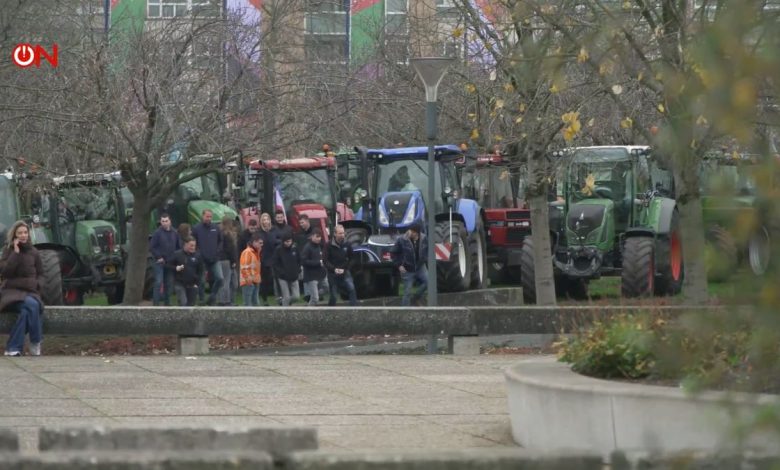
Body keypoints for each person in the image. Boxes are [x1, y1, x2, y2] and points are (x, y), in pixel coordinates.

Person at [1, 221, 44, 356]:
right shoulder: (8, 251)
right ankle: (36, 341)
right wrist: (16, 253)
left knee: (27, 311)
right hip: (12, 293)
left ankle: (13, 347)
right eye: (20, 233)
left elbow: (41, 273)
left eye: (25, 232)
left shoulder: (34, 252)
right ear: (14, 235)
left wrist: (38, 285)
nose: (23, 235)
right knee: (32, 306)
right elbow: (5, 273)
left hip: (31, 291)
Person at [390, 223, 428, 306]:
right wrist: (399, 265)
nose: (411, 233)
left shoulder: (424, 238)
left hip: (420, 266)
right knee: (407, 292)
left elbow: (427, 250)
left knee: (428, 282)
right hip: (407, 269)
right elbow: (393, 253)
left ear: (417, 233)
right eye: (410, 230)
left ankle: (416, 297)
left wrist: (424, 259)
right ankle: (405, 311)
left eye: (413, 232)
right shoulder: (402, 240)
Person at [192, 209, 224, 306]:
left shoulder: (216, 228)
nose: (209, 218)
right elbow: (193, 243)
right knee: (201, 281)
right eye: (207, 216)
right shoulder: (196, 228)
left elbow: (221, 241)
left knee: (220, 278)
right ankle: (202, 299)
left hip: (215, 259)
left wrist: (217, 252)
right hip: (202, 260)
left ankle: (212, 296)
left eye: (210, 216)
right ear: (202, 216)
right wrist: (198, 254)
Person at [148, 213, 181, 306]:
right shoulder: (157, 233)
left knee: (169, 283)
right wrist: (159, 257)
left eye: (166, 221)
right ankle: (156, 304)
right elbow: (152, 247)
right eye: (162, 221)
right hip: (159, 262)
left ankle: (167, 304)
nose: (164, 223)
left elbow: (178, 247)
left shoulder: (175, 233)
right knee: (158, 282)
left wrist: (176, 259)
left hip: (170, 262)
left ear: (170, 221)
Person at [325, 224, 358, 306]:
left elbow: (352, 258)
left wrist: (346, 269)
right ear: (335, 234)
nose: (342, 235)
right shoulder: (328, 245)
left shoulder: (347, 244)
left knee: (351, 289)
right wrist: (333, 269)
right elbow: (325, 260)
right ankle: (330, 311)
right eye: (340, 233)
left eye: (343, 233)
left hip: (345, 271)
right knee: (334, 295)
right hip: (333, 273)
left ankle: (354, 310)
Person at [168, 236, 204, 307]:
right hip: (180, 283)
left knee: (191, 306)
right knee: (183, 303)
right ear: (185, 244)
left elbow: (201, 271)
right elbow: (168, 265)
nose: (193, 247)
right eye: (191, 245)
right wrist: (176, 268)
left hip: (193, 284)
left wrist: (197, 284)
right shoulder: (177, 254)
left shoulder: (198, 256)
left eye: (194, 246)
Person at [272, 232, 301, 306]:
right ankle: (284, 312)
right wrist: (281, 273)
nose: (289, 243)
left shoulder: (295, 248)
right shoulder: (278, 250)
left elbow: (299, 260)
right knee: (286, 297)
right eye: (287, 241)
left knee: (296, 297)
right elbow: (275, 263)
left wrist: (298, 270)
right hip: (283, 277)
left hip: (294, 276)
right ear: (283, 241)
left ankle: (282, 302)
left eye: (290, 241)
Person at [300, 228, 326, 306]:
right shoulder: (307, 247)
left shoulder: (319, 246)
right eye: (317, 236)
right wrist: (318, 262)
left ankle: (313, 295)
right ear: (312, 236)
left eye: (320, 237)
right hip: (311, 276)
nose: (319, 238)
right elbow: (304, 261)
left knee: (327, 287)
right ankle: (308, 311)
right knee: (315, 299)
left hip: (320, 273)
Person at [258, 212, 279, 306]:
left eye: (267, 219)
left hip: (274, 257)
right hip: (263, 258)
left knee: (276, 278)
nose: (266, 221)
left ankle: (279, 297)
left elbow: (279, 240)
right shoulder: (259, 232)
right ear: (261, 221)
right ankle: (264, 299)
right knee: (265, 280)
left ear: (270, 220)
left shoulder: (274, 230)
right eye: (264, 220)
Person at [217, 216, 238, 306]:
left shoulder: (219, 233)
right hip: (227, 260)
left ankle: (223, 300)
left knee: (223, 281)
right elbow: (231, 249)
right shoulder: (228, 235)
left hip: (219, 259)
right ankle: (226, 301)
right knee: (227, 281)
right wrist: (233, 261)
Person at [239, 233, 262, 306]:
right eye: (260, 243)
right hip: (248, 282)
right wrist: (249, 280)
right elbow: (244, 268)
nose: (262, 245)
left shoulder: (256, 252)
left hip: (255, 281)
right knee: (248, 304)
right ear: (254, 242)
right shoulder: (247, 252)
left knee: (255, 304)